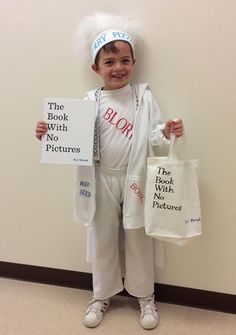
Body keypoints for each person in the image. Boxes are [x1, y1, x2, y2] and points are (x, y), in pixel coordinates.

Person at [35, 12, 184, 330]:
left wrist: (168, 131)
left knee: (137, 237)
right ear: (96, 68)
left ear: (134, 61)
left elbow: (155, 135)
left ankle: (145, 295)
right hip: (100, 178)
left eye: (125, 60)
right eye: (110, 62)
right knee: (101, 238)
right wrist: (49, 133)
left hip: (135, 181)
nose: (118, 68)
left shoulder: (143, 97)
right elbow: (70, 138)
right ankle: (101, 294)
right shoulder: (89, 101)